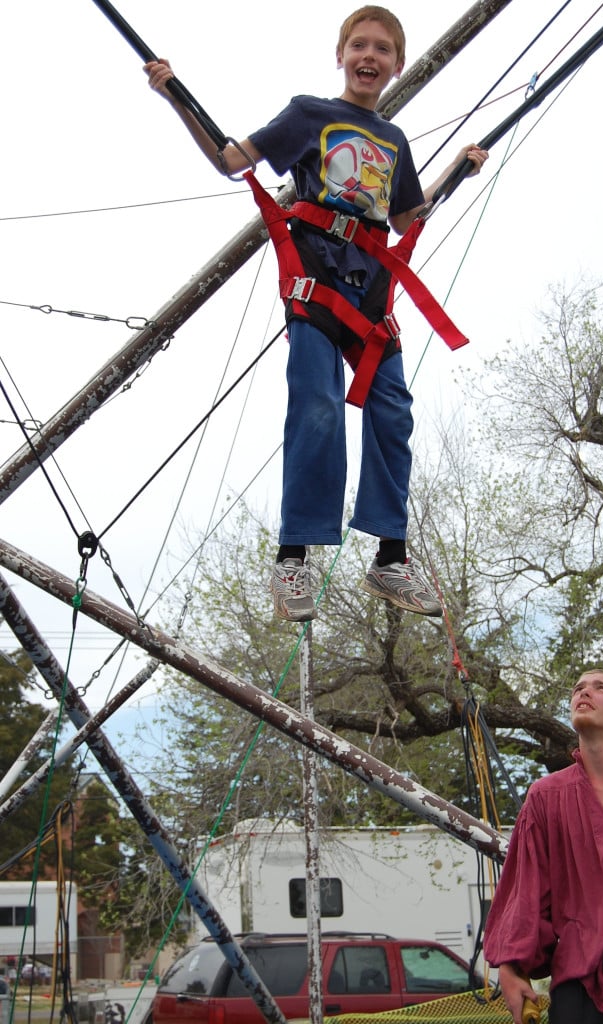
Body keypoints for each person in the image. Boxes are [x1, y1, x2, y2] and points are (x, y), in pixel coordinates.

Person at [143, 6, 488, 623]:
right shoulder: (310, 114)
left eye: (382, 50)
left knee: (393, 410)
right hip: (315, 280)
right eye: (359, 46)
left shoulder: (394, 141)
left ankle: (390, 557)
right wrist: (175, 94)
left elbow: (409, 216)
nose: (369, 58)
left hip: (370, 289)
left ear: (397, 65)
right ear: (340, 55)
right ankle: (292, 556)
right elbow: (230, 160)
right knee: (319, 403)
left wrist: (458, 169)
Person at [483, 668, 603, 1023]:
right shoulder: (546, 797)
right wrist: (512, 969)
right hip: (580, 978)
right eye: (577, 689)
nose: (583, 692)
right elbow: (525, 891)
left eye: (599, 687)